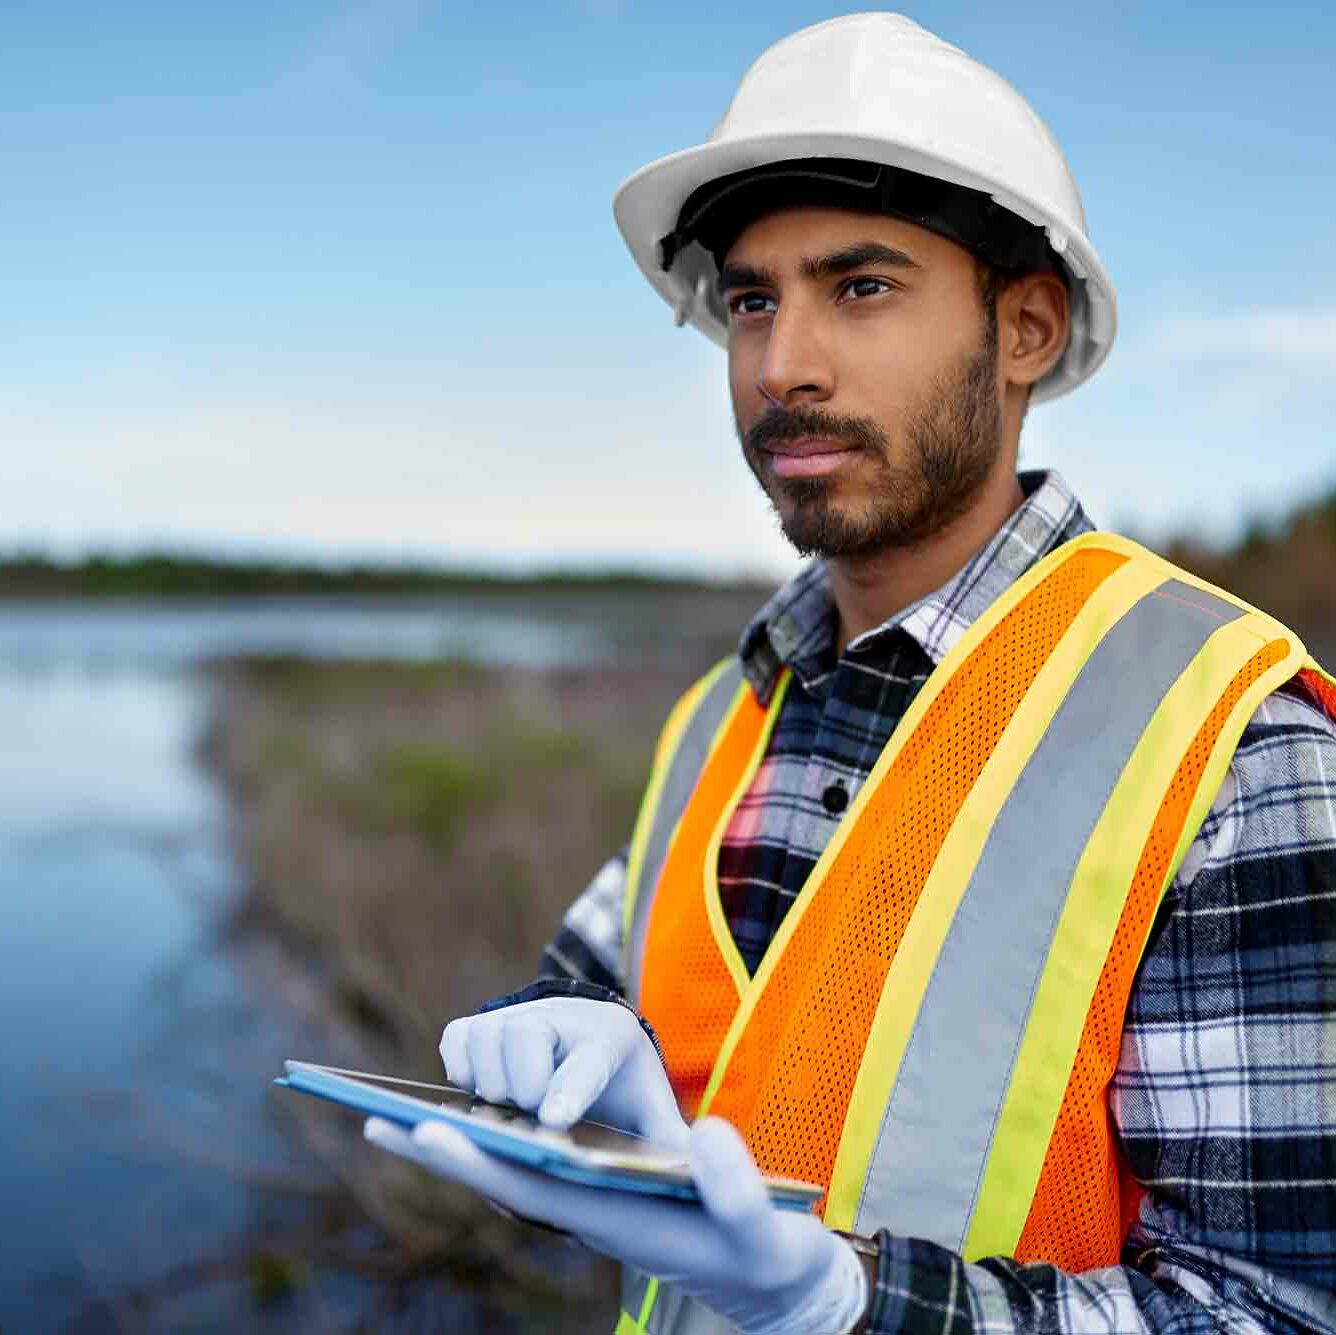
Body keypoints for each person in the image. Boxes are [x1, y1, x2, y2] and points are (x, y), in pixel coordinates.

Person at [365, 14, 1336, 1334]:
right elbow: (599, 991)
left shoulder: (1232, 738)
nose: (781, 367)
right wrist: (544, 1048)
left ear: (1027, 329)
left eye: (861, 286)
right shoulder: (728, 708)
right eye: (753, 298)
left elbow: (1276, 1309)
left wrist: (852, 1305)